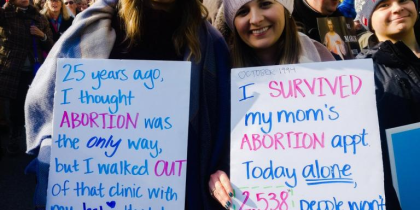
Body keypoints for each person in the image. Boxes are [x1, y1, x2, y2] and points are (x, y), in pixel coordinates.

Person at [24, 0, 230, 209]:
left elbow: (226, 129)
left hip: (178, 192)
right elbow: (45, 103)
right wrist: (52, 150)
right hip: (93, 189)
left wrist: (223, 172)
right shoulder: (91, 27)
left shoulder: (211, 44)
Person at [208, 0, 335, 208]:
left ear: (285, 8)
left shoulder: (323, 60)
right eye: (242, 12)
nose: (256, 19)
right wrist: (216, 176)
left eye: (265, 4)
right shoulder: (221, 75)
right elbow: (214, 148)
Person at [357, 0, 419, 209]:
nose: (397, 8)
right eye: (383, 5)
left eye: (403, 0)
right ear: (368, 20)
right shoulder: (361, 75)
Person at [0, 0, 53, 155]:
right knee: (12, 108)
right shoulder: (5, 14)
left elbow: (51, 44)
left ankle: (30, 140)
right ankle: (13, 139)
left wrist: (42, 36)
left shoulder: (39, 17)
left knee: (31, 107)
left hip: (33, 72)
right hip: (10, 70)